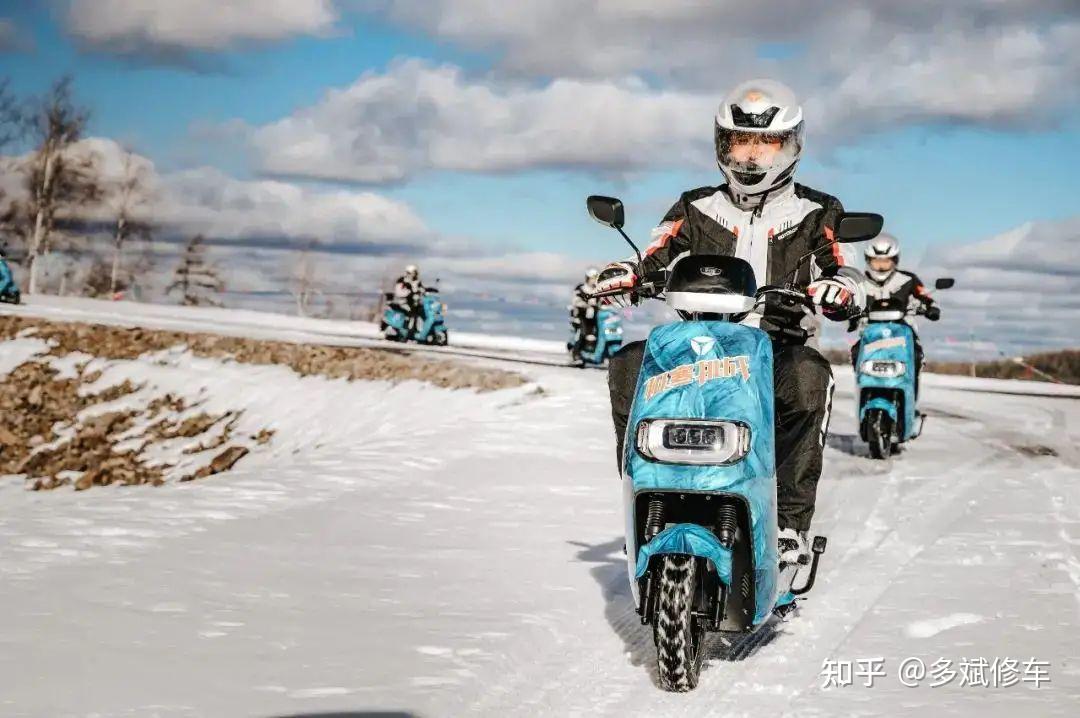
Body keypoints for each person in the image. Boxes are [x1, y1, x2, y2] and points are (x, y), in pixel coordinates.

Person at [593, 79, 866, 566]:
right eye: (741, 140)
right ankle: (646, 491)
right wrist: (627, 272)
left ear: (790, 145)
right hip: (701, 341)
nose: (752, 155)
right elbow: (657, 254)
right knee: (630, 363)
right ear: (723, 143)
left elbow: (841, 264)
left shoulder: (818, 210)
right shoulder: (695, 206)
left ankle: (789, 524)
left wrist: (843, 288)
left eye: (766, 142)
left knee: (808, 378)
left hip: (777, 344)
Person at [850, 234, 940, 395]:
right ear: (868, 260)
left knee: (917, 354)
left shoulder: (907, 279)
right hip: (870, 330)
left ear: (895, 260)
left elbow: (925, 296)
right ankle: (864, 388)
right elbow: (848, 299)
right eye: (876, 261)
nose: (881, 266)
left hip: (903, 329)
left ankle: (911, 393)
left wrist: (931, 307)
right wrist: (849, 314)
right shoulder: (859, 282)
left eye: (886, 261)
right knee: (856, 351)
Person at [568, 268, 601, 359]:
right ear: (588, 278)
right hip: (580, 316)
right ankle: (576, 354)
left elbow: (602, 302)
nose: (594, 280)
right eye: (592, 278)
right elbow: (575, 301)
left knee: (597, 333)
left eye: (595, 278)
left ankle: (597, 355)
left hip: (593, 317)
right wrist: (586, 305)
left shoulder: (598, 290)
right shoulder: (580, 288)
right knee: (582, 334)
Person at [392, 264, 427, 334]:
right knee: (409, 312)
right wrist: (408, 293)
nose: (413, 275)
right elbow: (398, 292)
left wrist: (426, 292)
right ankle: (405, 329)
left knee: (422, 312)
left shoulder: (417, 282)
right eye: (412, 273)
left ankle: (416, 330)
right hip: (403, 302)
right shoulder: (402, 281)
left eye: (415, 273)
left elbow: (423, 289)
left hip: (415, 303)